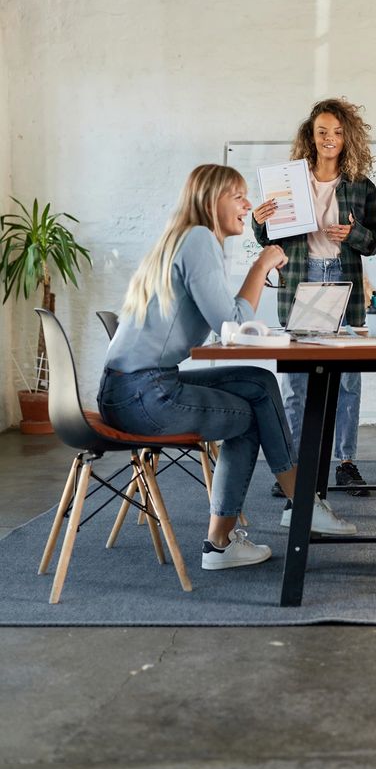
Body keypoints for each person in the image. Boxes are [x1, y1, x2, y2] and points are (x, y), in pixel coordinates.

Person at [98, 164, 355, 572]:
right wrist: (261, 265)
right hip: (144, 396)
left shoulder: (184, 239)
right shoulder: (199, 239)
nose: (248, 205)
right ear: (210, 200)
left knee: (256, 381)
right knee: (251, 413)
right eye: (237, 196)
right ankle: (253, 528)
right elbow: (230, 326)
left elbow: (225, 324)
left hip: (135, 388)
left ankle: (298, 504)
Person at [252, 99, 376, 495]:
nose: (330, 139)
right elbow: (268, 236)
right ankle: (293, 469)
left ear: (349, 137)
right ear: (310, 135)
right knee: (296, 381)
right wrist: (259, 224)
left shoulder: (361, 184)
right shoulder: (288, 181)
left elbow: (374, 241)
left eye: (338, 133)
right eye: (322, 131)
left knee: (347, 379)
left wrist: (352, 235)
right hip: (300, 277)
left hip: (342, 279)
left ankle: (346, 462)